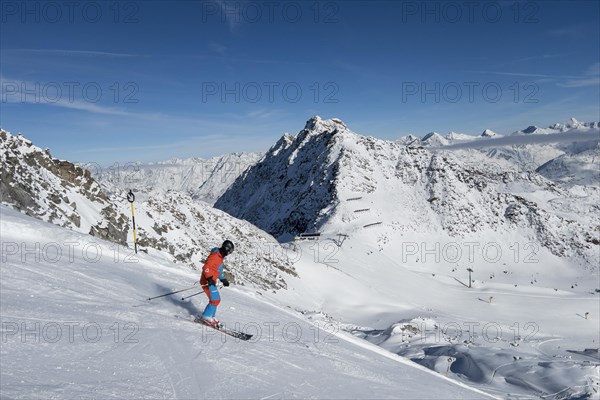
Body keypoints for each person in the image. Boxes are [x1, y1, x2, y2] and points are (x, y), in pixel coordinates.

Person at [198, 240, 233, 327]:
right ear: (226, 249)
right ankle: (206, 317)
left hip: (211, 282)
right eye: (229, 251)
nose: (229, 253)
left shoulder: (220, 257)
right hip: (207, 281)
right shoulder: (215, 256)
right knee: (215, 300)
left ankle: (211, 317)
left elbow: (219, 270)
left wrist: (223, 279)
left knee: (216, 300)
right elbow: (206, 267)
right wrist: (209, 278)